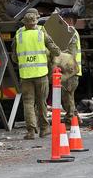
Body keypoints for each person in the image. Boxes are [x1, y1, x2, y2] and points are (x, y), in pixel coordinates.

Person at [11, 8, 61, 139]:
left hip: (25, 75)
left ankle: (31, 131)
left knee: (28, 103)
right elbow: (55, 50)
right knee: (41, 102)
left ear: (24, 23)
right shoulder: (41, 33)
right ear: (36, 21)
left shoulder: (19, 35)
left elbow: (14, 57)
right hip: (41, 74)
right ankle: (44, 129)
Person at [59, 9, 82, 125]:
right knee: (68, 96)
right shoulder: (70, 32)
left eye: (62, 19)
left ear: (69, 20)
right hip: (70, 71)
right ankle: (75, 118)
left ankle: (70, 120)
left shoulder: (70, 32)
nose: (61, 22)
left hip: (70, 71)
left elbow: (71, 54)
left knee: (67, 97)